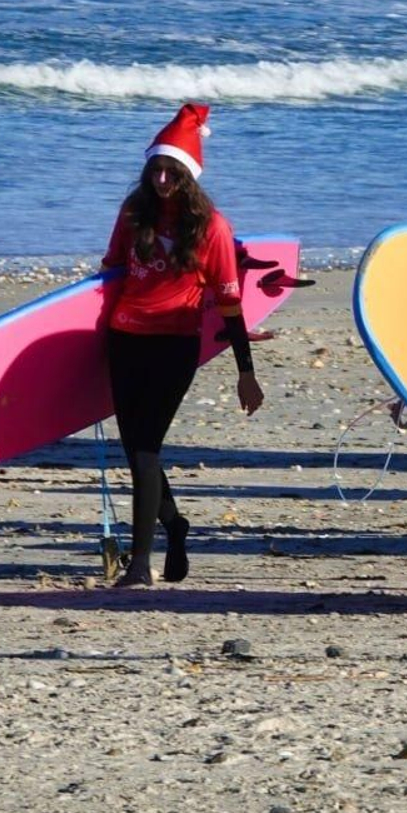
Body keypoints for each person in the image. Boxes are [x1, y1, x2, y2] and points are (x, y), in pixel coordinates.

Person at [100, 104, 263, 588]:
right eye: (157, 169)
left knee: (147, 449)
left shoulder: (211, 227)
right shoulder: (133, 213)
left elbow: (231, 305)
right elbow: (109, 274)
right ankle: (175, 526)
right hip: (124, 339)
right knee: (136, 453)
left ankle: (138, 564)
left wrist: (245, 372)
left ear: (188, 175)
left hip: (174, 346)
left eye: (173, 171)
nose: (163, 179)